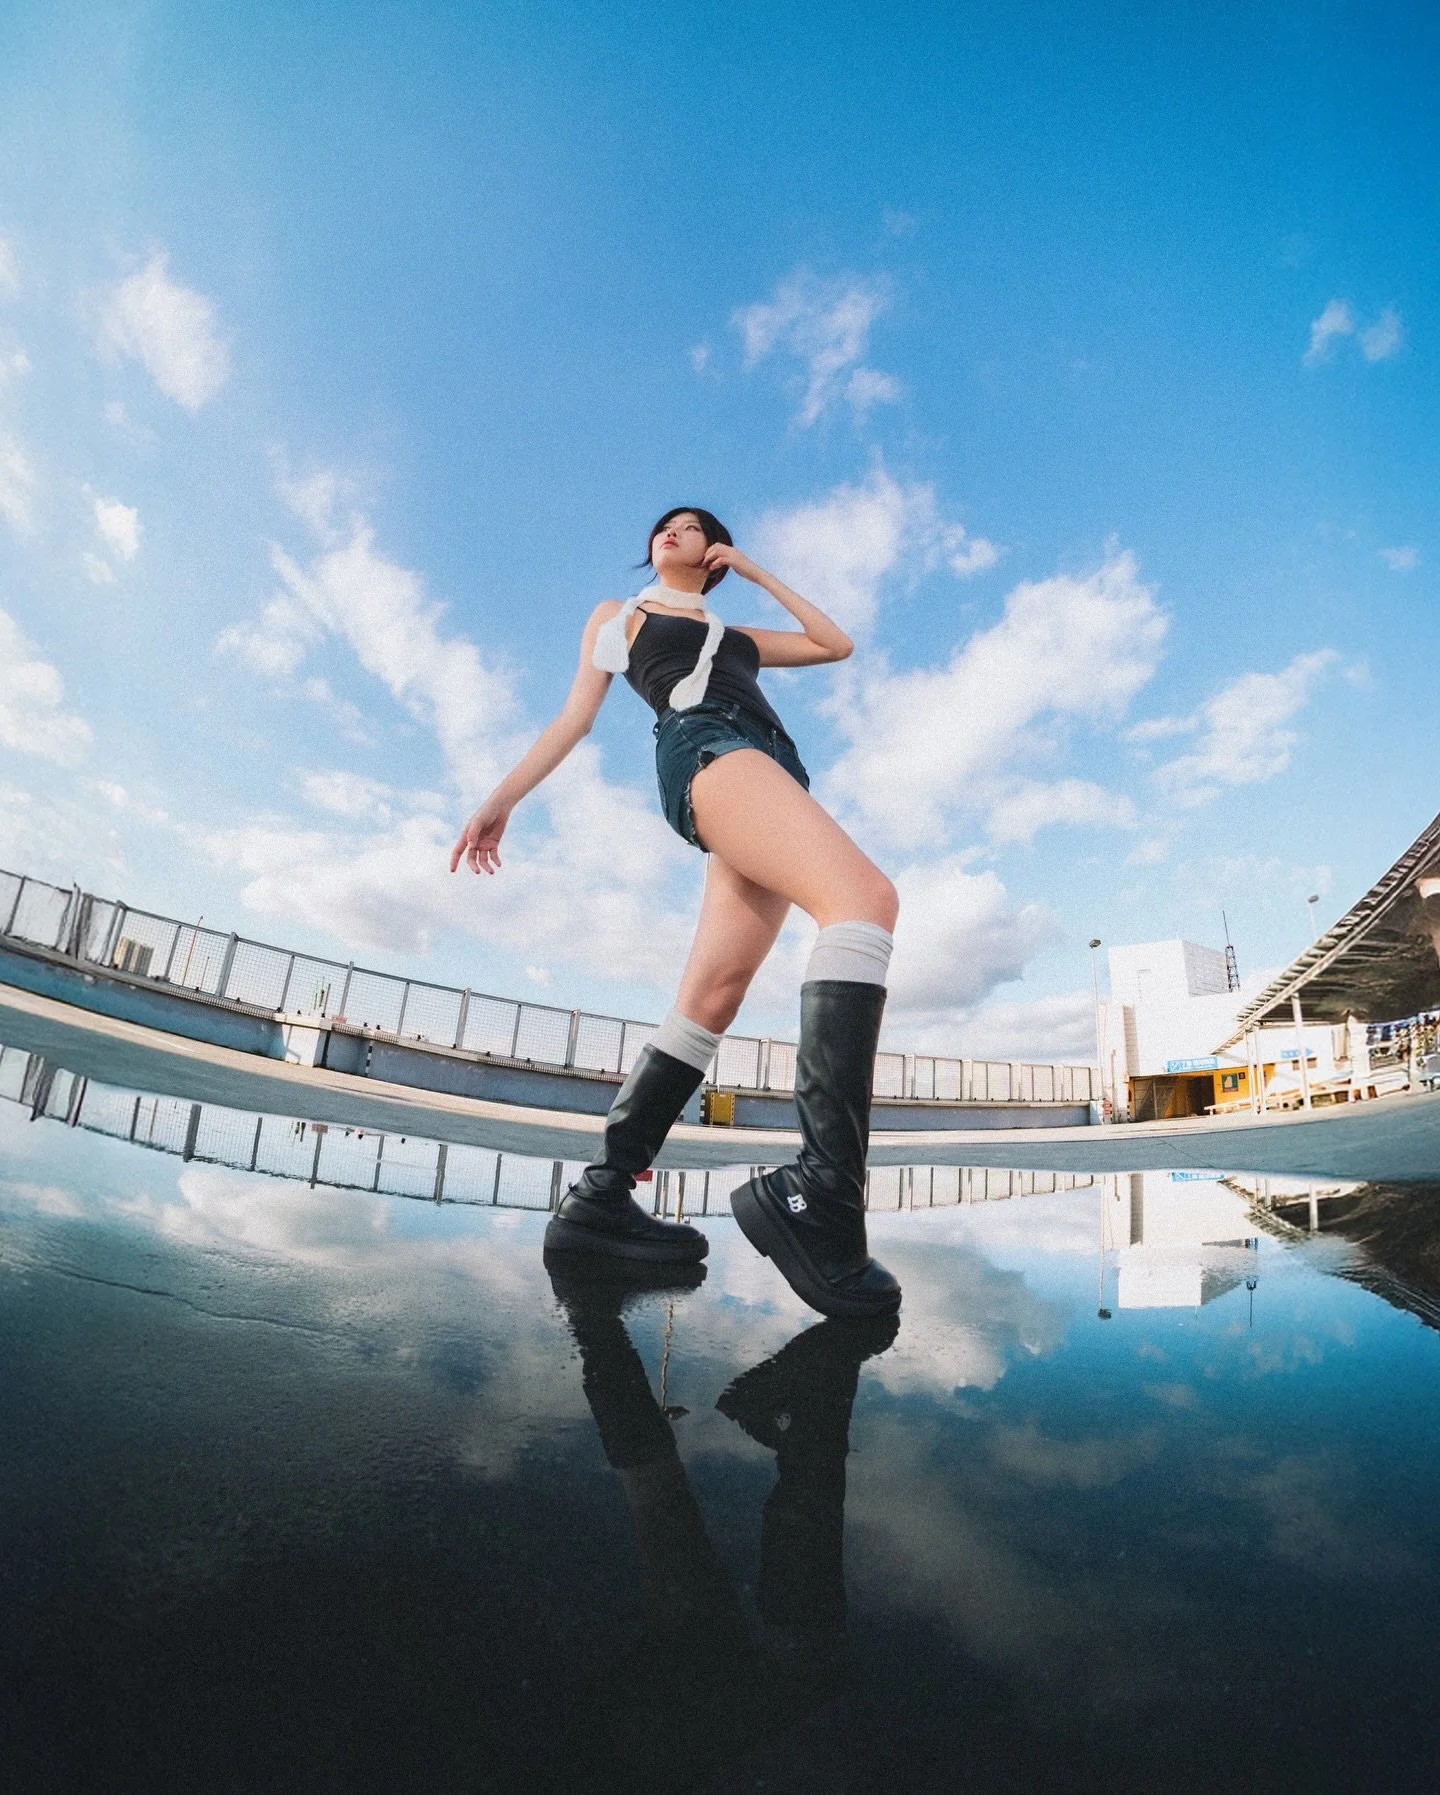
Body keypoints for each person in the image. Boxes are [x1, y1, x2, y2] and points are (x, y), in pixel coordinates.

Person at [451, 507, 900, 1318]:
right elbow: (573, 718)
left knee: (713, 997)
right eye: (665, 525)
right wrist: (499, 800)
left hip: (770, 767)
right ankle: (822, 1195)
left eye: (693, 528)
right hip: (706, 746)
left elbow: (836, 645)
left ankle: (602, 1196)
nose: (672, 531)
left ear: (713, 553)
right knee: (864, 902)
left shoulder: (735, 634)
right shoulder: (620, 615)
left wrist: (757, 571)